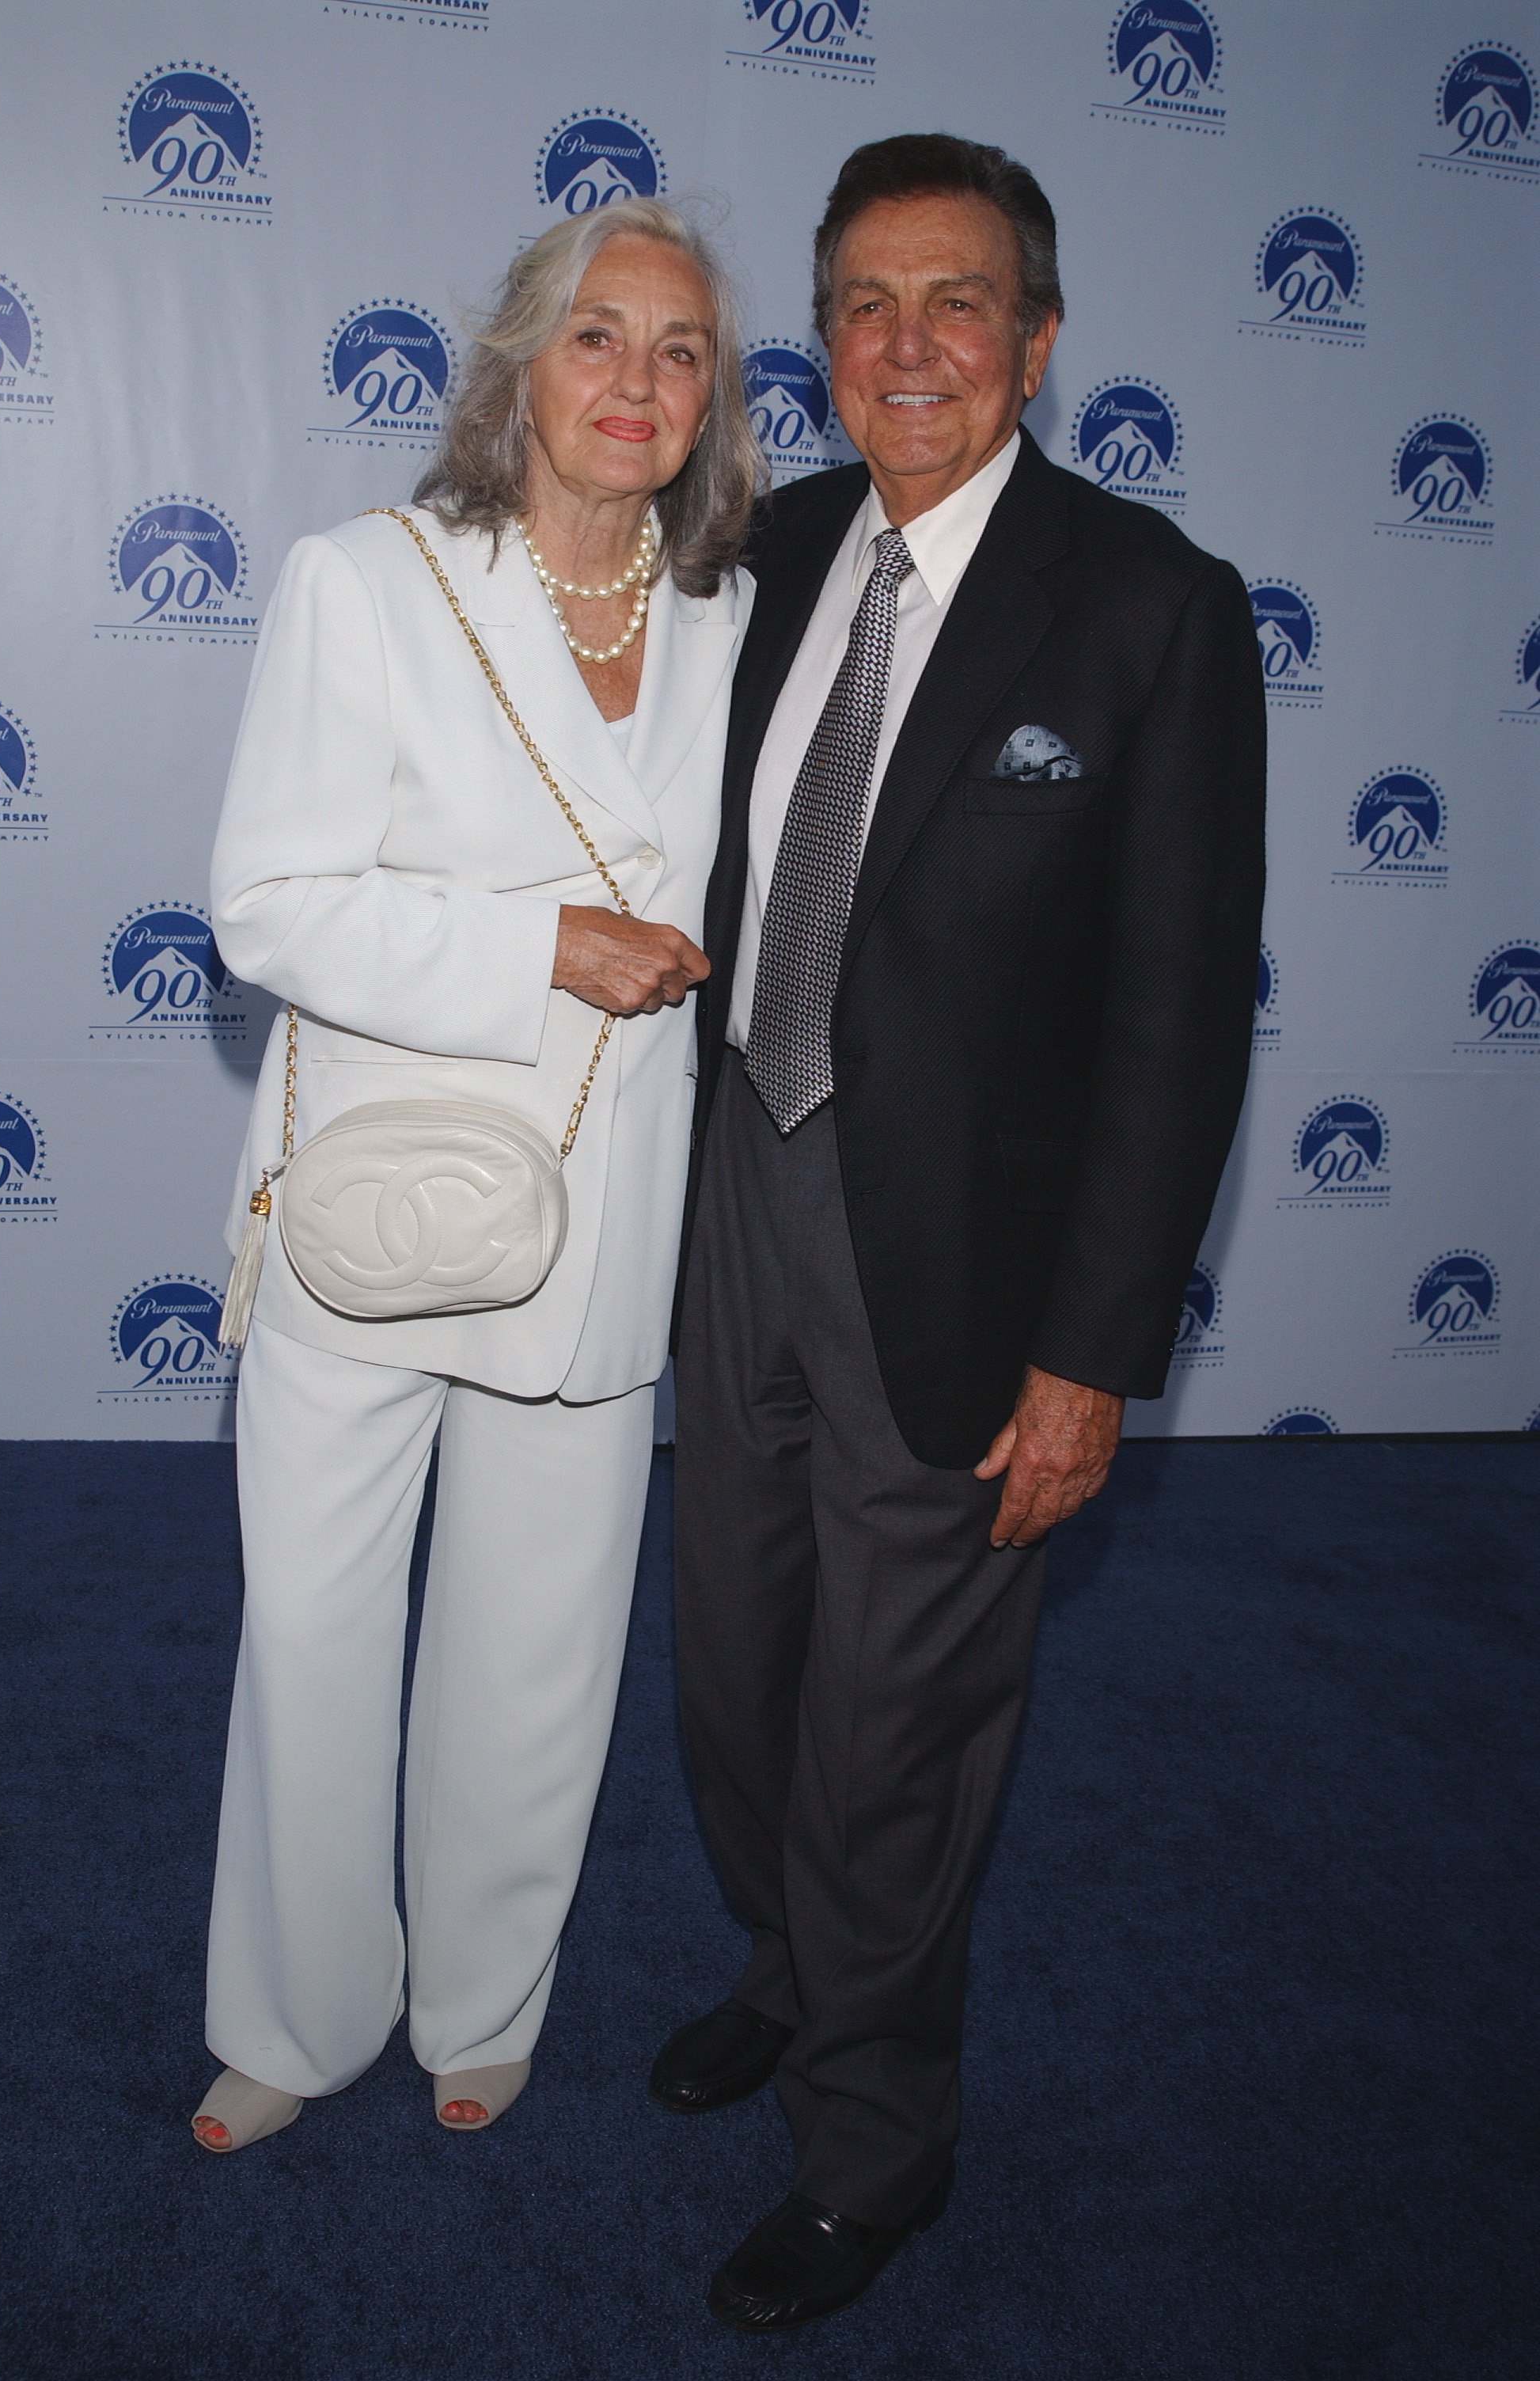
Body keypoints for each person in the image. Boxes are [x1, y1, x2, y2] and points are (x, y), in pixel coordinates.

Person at [651, 134, 1266, 2328]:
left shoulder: (1151, 606)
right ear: (825, 347)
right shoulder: (771, 544)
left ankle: (878, 2140)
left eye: (962, 300)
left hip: (973, 1272)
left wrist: (1095, 1351)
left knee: (893, 1724)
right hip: (740, 1192)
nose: (912, 346)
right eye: (869, 307)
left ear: (1041, 335)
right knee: (736, 1665)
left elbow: (1181, 1017)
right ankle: (792, 1970)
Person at [191, 198, 760, 2153]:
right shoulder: (368, 581)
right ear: (517, 360)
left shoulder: (728, 618)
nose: (637, 380)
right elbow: (267, 902)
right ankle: (294, 2009)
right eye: (599, 335)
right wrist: (533, 944)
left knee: (537, 1646)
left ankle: (481, 2000)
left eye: (680, 350)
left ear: (713, 402)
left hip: (602, 1199)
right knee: (321, 1624)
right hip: (380, 1190)